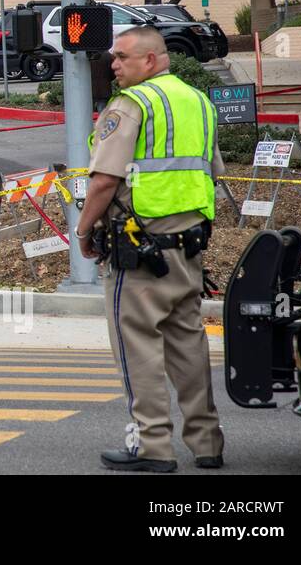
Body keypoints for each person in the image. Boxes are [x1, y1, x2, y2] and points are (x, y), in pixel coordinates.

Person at [76, 27, 226, 473]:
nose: (114, 66)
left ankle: (152, 447)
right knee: (188, 345)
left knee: (137, 347)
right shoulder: (198, 102)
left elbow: (104, 180)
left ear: (151, 60)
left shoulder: (131, 105)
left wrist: (84, 232)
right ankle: (207, 444)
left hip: (139, 250)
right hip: (188, 245)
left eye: (122, 58)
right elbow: (212, 171)